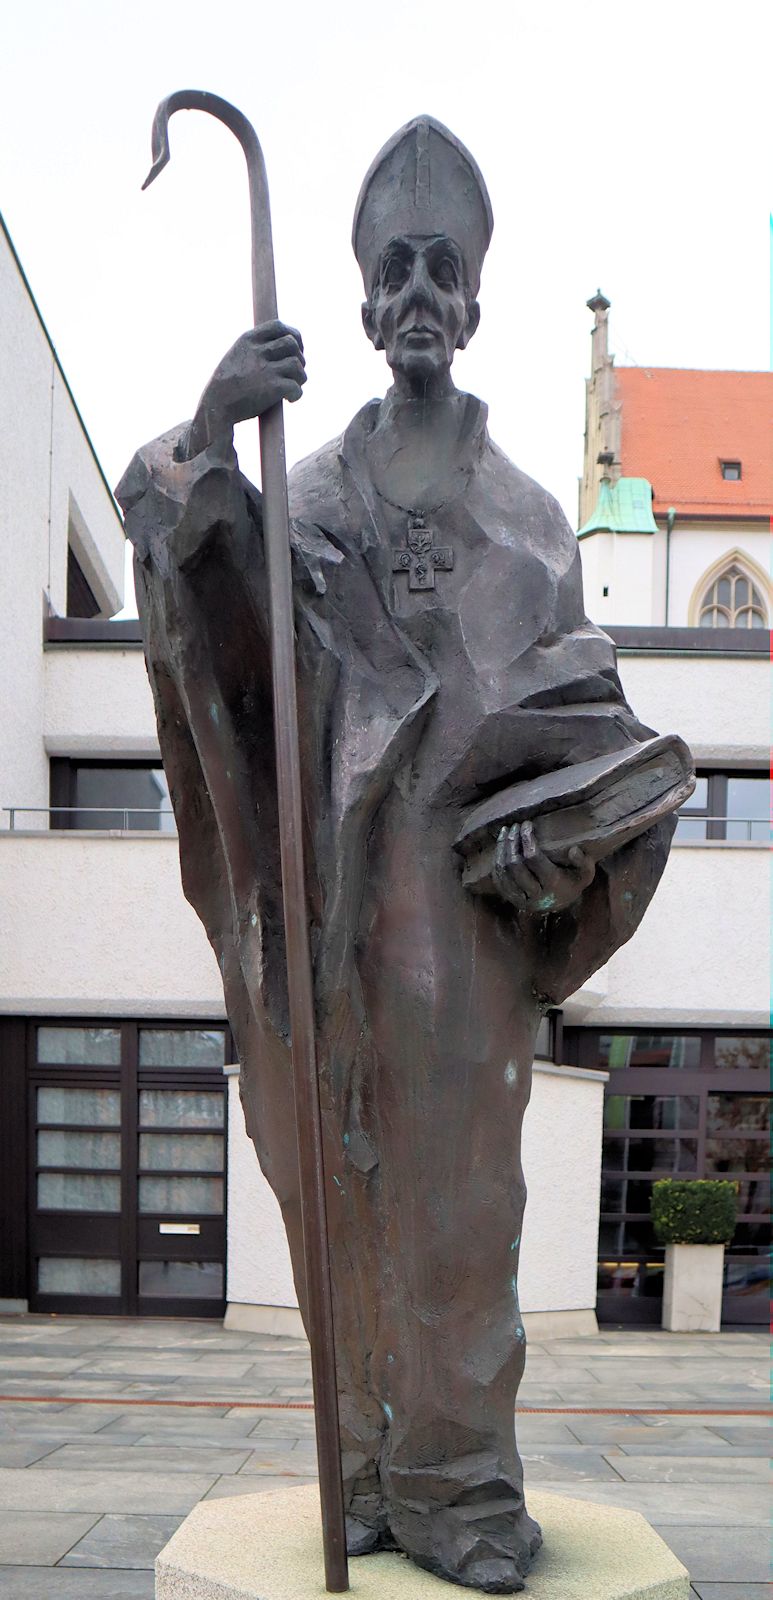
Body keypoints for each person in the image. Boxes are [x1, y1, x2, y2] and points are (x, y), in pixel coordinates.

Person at [117, 116, 675, 1593]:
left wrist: (586, 825)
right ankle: (361, 1467)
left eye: (442, 267)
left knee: (457, 1207)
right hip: (327, 907)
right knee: (332, 1182)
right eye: (393, 270)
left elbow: (591, 717)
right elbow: (215, 623)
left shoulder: (528, 521)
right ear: (362, 303)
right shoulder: (307, 486)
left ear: (473, 298)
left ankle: (457, 1488)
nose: (417, 291)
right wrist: (211, 431)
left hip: (470, 919)